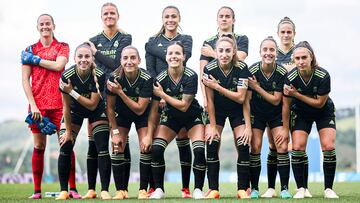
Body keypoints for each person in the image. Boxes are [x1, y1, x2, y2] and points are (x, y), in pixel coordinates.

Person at [21, 13, 80, 199]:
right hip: (38, 106)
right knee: (39, 146)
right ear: (37, 27)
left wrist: (36, 60)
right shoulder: (29, 49)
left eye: (48, 23)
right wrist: (33, 105)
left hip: (60, 104)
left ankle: (72, 189)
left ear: (54, 26)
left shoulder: (62, 47)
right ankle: (37, 191)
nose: (45, 26)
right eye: (41, 24)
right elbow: (25, 80)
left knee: (66, 144)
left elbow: (58, 66)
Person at [84, 2, 132, 199]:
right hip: (97, 94)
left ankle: (123, 188)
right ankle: (92, 188)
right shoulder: (93, 39)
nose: (109, 16)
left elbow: (116, 64)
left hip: (118, 93)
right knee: (94, 141)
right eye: (106, 13)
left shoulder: (125, 37)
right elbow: (90, 68)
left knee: (122, 141)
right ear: (101, 17)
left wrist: (96, 53)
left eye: (112, 13)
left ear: (118, 15)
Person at [145, 5, 194, 198]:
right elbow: (150, 70)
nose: (170, 19)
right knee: (154, 141)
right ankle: (153, 187)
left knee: (183, 139)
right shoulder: (152, 41)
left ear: (179, 18)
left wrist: (153, 49)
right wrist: (160, 93)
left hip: (178, 92)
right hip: (158, 93)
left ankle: (185, 188)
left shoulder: (186, 39)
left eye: (174, 16)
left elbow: (183, 58)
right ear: (162, 19)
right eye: (167, 16)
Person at [147, 42, 206, 199]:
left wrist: (163, 95)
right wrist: (148, 134)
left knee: (199, 150)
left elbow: (185, 106)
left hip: (192, 116)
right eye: (170, 53)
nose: (174, 56)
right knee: (157, 149)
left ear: (183, 57)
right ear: (166, 57)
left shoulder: (191, 75)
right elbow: (153, 111)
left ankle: (198, 189)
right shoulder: (159, 79)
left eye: (177, 53)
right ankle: (159, 189)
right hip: (171, 117)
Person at [261, 17, 311, 198]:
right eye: (283, 32)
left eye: (289, 31)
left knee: (299, 146)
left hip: (296, 105)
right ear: (278, 33)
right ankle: (272, 188)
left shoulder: (300, 52)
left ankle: (303, 187)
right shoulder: (272, 52)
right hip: (275, 106)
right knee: (274, 145)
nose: (286, 35)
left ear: (294, 34)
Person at [283, 41, 338, 199]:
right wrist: (286, 131)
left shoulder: (323, 75)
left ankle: (328, 189)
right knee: (298, 147)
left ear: (311, 57)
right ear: (294, 59)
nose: (300, 61)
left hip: (323, 112)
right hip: (301, 113)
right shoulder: (290, 77)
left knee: (328, 146)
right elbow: (286, 106)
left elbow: (320, 103)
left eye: (304, 58)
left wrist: (297, 95)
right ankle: (301, 188)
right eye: (297, 58)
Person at [56, 43, 112, 200]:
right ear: (74, 58)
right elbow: (66, 108)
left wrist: (71, 91)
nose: (83, 59)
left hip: (96, 110)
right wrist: (68, 132)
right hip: (74, 111)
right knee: (65, 144)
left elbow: (93, 104)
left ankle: (104, 190)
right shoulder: (67, 76)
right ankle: (63, 191)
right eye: (80, 56)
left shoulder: (100, 75)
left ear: (92, 58)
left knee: (101, 146)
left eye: (87, 56)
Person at [202, 36, 251, 199]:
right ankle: (213, 189)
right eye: (221, 50)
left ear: (234, 52)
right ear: (216, 52)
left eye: (228, 50)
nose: (224, 54)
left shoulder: (242, 68)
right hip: (218, 111)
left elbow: (241, 99)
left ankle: (243, 189)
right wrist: (214, 126)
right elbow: (209, 100)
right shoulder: (209, 68)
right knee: (212, 142)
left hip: (238, 110)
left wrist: (249, 128)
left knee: (243, 144)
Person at [106, 46, 153, 199]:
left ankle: (142, 190)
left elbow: (140, 109)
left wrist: (120, 92)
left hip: (142, 115)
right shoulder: (113, 78)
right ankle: (121, 190)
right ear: (121, 61)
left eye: (133, 58)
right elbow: (110, 109)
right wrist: (115, 133)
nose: (129, 61)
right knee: (116, 145)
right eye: (125, 58)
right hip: (122, 115)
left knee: (146, 146)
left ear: (139, 60)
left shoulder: (147, 78)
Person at [247, 37, 291, 199]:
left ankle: (284, 188)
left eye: (271, 50)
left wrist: (257, 87)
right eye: (265, 50)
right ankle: (255, 189)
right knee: (256, 147)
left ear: (276, 53)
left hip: (275, 114)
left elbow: (276, 100)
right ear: (260, 52)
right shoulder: (252, 70)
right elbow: (248, 99)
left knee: (282, 147)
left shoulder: (281, 72)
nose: (268, 53)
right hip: (257, 115)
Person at [200, 6, 249, 110]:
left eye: (227, 16)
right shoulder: (208, 42)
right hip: (215, 95)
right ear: (217, 20)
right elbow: (202, 73)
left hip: (236, 91)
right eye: (221, 16)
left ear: (233, 20)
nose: (224, 19)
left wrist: (213, 53)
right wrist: (205, 98)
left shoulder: (241, 39)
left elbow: (239, 58)